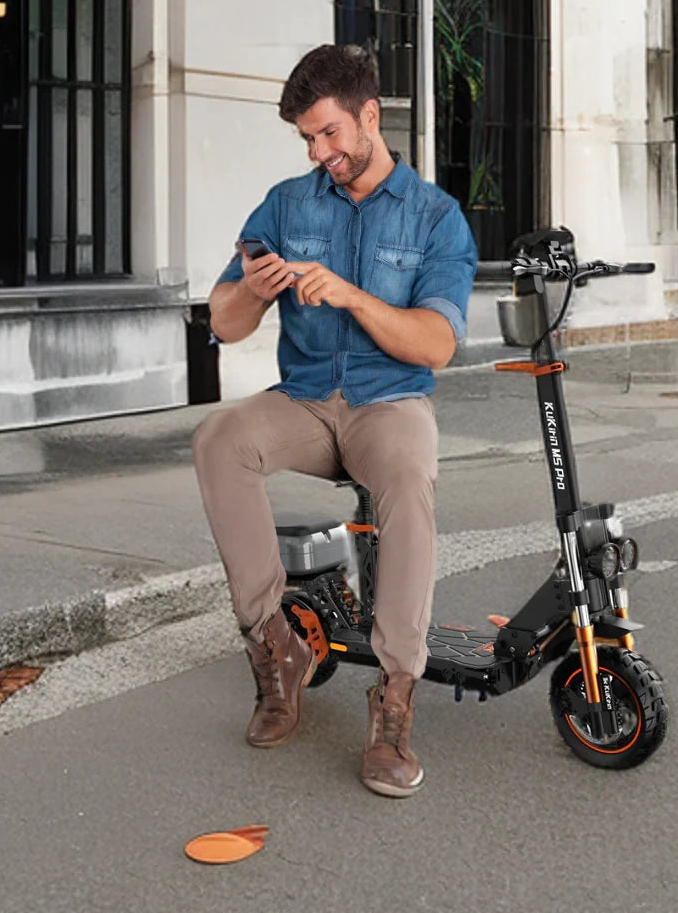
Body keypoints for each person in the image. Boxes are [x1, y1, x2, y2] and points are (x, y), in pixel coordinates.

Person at [192, 44, 478, 798]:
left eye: (329, 134)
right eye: (307, 140)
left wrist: (352, 296)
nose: (321, 153)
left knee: (410, 477)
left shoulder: (435, 217)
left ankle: (394, 694)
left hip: (390, 404)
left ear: (370, 117)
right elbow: (222, 323)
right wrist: (253, 289)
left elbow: (438, 344)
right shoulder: (288, 204)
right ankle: (274, 647)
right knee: (219, 439)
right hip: (308, 403)